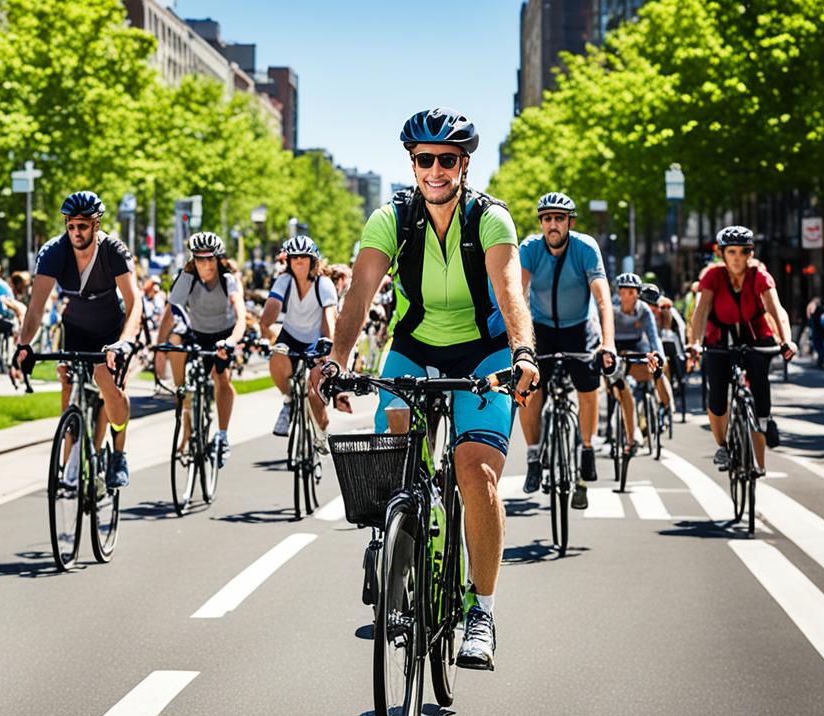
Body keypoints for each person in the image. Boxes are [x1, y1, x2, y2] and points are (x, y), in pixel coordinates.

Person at [316, 108, 538, 672]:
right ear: (412, 164)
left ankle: (481, 611)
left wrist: (523, 351)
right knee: (394, 458)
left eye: (446, 160)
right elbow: (360, 291)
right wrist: (337, 361)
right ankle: (400, 545)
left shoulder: (491, 219)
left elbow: (509, 288)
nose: (435, 170)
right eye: (424, 160)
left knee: (475, 471)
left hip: (483, 354)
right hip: (414, 350)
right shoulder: (392, 218)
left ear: (464, 164)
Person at [14, 191, 141, 489]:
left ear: (96, 225)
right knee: (67, 380)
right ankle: (70, 454)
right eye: (71, 226)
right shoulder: (53, 252)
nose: (76, 233)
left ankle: (118, 453)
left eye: (82, 226)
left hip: (110, 329)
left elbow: (135, 304)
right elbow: (36, 307)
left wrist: (123, 343)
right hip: (76, 328)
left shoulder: (114, 251)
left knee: (105, 380)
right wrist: (23, 344)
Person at [517, 192, 616, 509]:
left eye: (559, 218)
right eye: (547, 219)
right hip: (541, 328)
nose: (553, 225)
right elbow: (517, 296)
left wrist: (608, 342)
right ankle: (534, 456)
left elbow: (602, 300)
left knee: (589, 387)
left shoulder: (585, 248)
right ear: (541, 224)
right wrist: (517, 345)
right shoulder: (530, 249)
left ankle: (586, 449)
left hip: (579, 328)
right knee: (527, 386)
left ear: (570, 223)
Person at [686, 226, 796, 471]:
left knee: (759, 385)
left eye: (743, 252)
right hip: (719, 337)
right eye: (731, 252)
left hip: (755, 334)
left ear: (750, 253)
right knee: (717, 396)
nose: (737, 257)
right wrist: (694, 343)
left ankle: (764, 433)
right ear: (722, 254)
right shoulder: (712, 276)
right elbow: (701, 313)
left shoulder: (760, 276)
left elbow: (776, 311)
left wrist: (786, 340)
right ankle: (723, 445)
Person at [157, 232, 246, 467]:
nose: (205, 264)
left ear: (218, 259)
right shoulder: (188, 277)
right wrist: (158, 349)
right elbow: (170, 311)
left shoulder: (228, 281)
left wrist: (231, 341)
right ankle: (187, 409)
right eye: (199, 259)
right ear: (193, 260)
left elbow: (242, 317)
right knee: (176, 342)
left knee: (221, 378)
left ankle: (223, 435)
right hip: (197, 333)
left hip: (223, 335)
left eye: (210, 259)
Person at [258, 235, 336, 449]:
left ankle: (321, 433)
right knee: (277, 356)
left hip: (316, 339)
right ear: (289, 262)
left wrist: (329, 346)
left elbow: (329, 317)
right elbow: (273, 304)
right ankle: (289, 400)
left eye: (304, 257)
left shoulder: (324, 284)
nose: (299, 261)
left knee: (315, 396)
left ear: (313, 261)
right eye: (294, 258)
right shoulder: (284, 281)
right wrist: (265, 324)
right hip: (290, 336)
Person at [609, 273, 669, 455]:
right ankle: (621, 433)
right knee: (614, 380)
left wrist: (659, 356)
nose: (627, 296)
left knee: (659, 368)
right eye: (623, 292)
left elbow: (653, 337)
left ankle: (665, 408)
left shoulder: (644, 310)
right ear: (618, 293)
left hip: (637, 345)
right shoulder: (610, 308)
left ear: (637, 293)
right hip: (616, 346)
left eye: (632, 292)